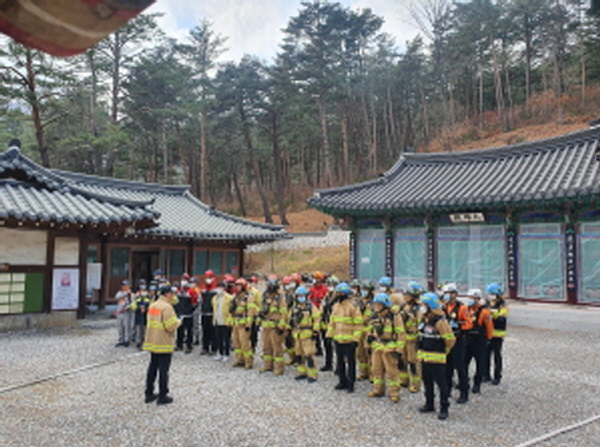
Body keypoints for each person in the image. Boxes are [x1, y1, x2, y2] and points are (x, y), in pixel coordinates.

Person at [418, 292, 456, 420]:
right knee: (427, 382)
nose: (421, 307)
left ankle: (444, 408)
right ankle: (429, 404)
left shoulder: (440, 322)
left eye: (423, 304)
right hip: (424, 357)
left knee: (441, 384)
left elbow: (450, 340)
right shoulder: (424, 320)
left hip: (437, 358)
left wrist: (444, 351)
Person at [143, 285, 181, 405]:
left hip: (153, 341)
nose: (173, 296)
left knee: (152, 368)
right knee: (164, 370)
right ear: (167, 294)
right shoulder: (167, 307)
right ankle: (162, 395)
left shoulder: (153, 305)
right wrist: (179, 322)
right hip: (163, 342)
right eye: (172, 293)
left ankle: (149, 393)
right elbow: (170, 326)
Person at [366, 292, 406, 403]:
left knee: (392, 372)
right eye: (376, 304)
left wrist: (399, 350)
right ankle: (378, 390)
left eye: (379, 305)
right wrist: (369, 337)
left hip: (390, 348)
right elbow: (370, 328)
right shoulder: (374, 316)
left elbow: (401, 334)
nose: (377, 307)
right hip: (377, 347)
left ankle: (394, 393)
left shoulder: (394, 316)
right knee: (376, 370)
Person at [327, 282, 363, 393]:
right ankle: (342, 381)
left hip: (349, 340)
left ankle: (351, 383)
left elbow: (358, 324)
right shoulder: (336, 306)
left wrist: (356, 339)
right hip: (338, 339)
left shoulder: (353, 306)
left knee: (351, 362)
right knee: (340, 361)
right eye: (338, 293)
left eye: (342, 293)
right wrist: (329, 335)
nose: (340, 294)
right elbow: (332, 322)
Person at [443, 283, 470, 404]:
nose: (447, 296)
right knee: (447, 366)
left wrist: (458, 324)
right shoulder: (443, 307)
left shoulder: (462, 307)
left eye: (449, 293)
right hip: (447, 340)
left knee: (460, 366)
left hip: (458, 339)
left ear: (454, 294)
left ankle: (464, 392)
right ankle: (447, 390)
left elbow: (468, 323)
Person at [289, 286, 322, 382]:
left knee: (309, 355)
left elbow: (317, 319)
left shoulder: (311, 307)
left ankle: (313, 375)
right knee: (298, 354)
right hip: (297, 334)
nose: (300, 297)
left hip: (307, 334)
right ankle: (302, 372)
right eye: (299, 295)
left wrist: (315, 331)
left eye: (302, 295)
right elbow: (290, 318)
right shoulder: (294, 307)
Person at [464, 289, 494, 394]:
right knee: (464, 364)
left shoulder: (484, 312)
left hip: (479, 341)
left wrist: (489, 339)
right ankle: (464, 383)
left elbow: (489, 327)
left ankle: (477, 384)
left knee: (480, 364)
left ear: (477, 299)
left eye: (471, 298)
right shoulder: (465, 309)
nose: (469, 300)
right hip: (467, 339)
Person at [259, 275, 288, 375]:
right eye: (269, 286)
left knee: (277, 348)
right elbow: (262, 309)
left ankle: (279, 368)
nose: (269, 288)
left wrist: (281, 326)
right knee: (266, 347)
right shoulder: (265, 296)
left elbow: (284, 313)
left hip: (275, 327)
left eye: (271, 287)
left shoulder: (280, 298)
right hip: (266, 326)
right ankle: (268, 366)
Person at [399, 281, 422, 393]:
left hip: (413, 340)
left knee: (413, 363)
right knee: (402, 360)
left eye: (408, 296)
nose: (405, 297)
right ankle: (404, 380)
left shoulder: (418, 309)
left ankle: (416, 384)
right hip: (403, 338)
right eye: (405, 295)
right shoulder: (403, 307)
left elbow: (421, 324)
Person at [230, 278, 258, 369]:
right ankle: (240, 360)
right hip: (236, 323)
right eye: (236, 285)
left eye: (238, 286)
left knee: (245, 343)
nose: (236, 287)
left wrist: (248, 324)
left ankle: (249, 362)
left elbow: (251, 311)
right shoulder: (236, 297)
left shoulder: (249, 297)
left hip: (243, 324)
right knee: (236, 343)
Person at [486, 282, 508, 385]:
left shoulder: (502, 304)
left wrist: (490, 315)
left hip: (498, 334)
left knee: (497, 355)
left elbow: (501, 316)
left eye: (491, 293)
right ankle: (485, 375)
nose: (490, 295)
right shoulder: (487, 303)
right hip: (487, 333)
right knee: (485, 355)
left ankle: (497, 376)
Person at [354, 280, 374, 381]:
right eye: (363, 289)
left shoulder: (373, 302)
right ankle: (363, 372)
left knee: (369, 353)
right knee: (360, 353)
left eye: (366, 290)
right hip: (359, 330)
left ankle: (372, 374)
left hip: (368, 331)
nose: (364, 291)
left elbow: (370, 317)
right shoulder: (359, 301)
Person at [319, 275, 338, 372]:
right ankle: (328, 363)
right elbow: (322, 309)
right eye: (329, 285)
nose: (331, 287)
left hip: (336, 326)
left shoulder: (338, 298)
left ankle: (339, 366)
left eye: (333, 285)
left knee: (338, 348)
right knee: (327, 345)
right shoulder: (326, 297)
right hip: (326, 324)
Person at [212, 281, 234, 362]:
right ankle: (220, 353)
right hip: (218, 320)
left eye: (221, 287)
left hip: (226, 321)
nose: (219, 289)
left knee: (226, 339)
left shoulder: (229, 298)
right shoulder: (215, 298)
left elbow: (231, 311)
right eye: (218, 287)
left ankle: (227, 354)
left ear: (224, 288)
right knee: (219, 338)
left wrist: (229, 321)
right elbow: (215, 310)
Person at [309, 271, 328, 356]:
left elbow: (326, 300)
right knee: (315, 333)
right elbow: (310, 299)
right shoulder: (312, 289)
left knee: (325, 334)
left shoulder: (325, 289)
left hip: (323, 314)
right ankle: (318, 349)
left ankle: (327, 351)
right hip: (314, 313)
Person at [200, 270, 218, 355]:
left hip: (213, 313)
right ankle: (205, 347)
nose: (208, 279)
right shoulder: (203, 288)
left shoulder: (216, 289)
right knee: (205, 331)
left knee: (213, 332)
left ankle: (214, 348)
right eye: (207, 277)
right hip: (204, 312)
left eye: (209, 277)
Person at [131, 280, 151, 349]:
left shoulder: (148, 295)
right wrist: (139, 307)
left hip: (146, 314)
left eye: (144, 284)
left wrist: (146, 307)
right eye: (141, 284)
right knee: (138, 328)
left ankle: (145, 341)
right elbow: (133, 304)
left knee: (146, 328)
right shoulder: (136, 294)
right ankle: (138, 342)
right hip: (138, 313)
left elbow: (151, 303)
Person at [175, 280, 194, 354]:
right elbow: (176, 302)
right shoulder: (178, 292)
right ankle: (179, 345)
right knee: (180, 331)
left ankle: (189, 346)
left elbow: (194, 303)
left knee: (189, 331)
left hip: (188, 314)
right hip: (180, 314)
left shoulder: (191, 292)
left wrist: (190, 310)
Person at [114, 280, 132, 347]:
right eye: (123, 286)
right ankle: (121, 340)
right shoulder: (120, 293)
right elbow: (117, 297)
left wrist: (128, 307)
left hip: (126, 312)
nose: (124, 287)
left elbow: (132, 302)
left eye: (126, 286)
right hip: (119, 312)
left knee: (126, 326)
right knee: (120, 327)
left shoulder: (131, 294)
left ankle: (127, 340)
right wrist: (125, 293)